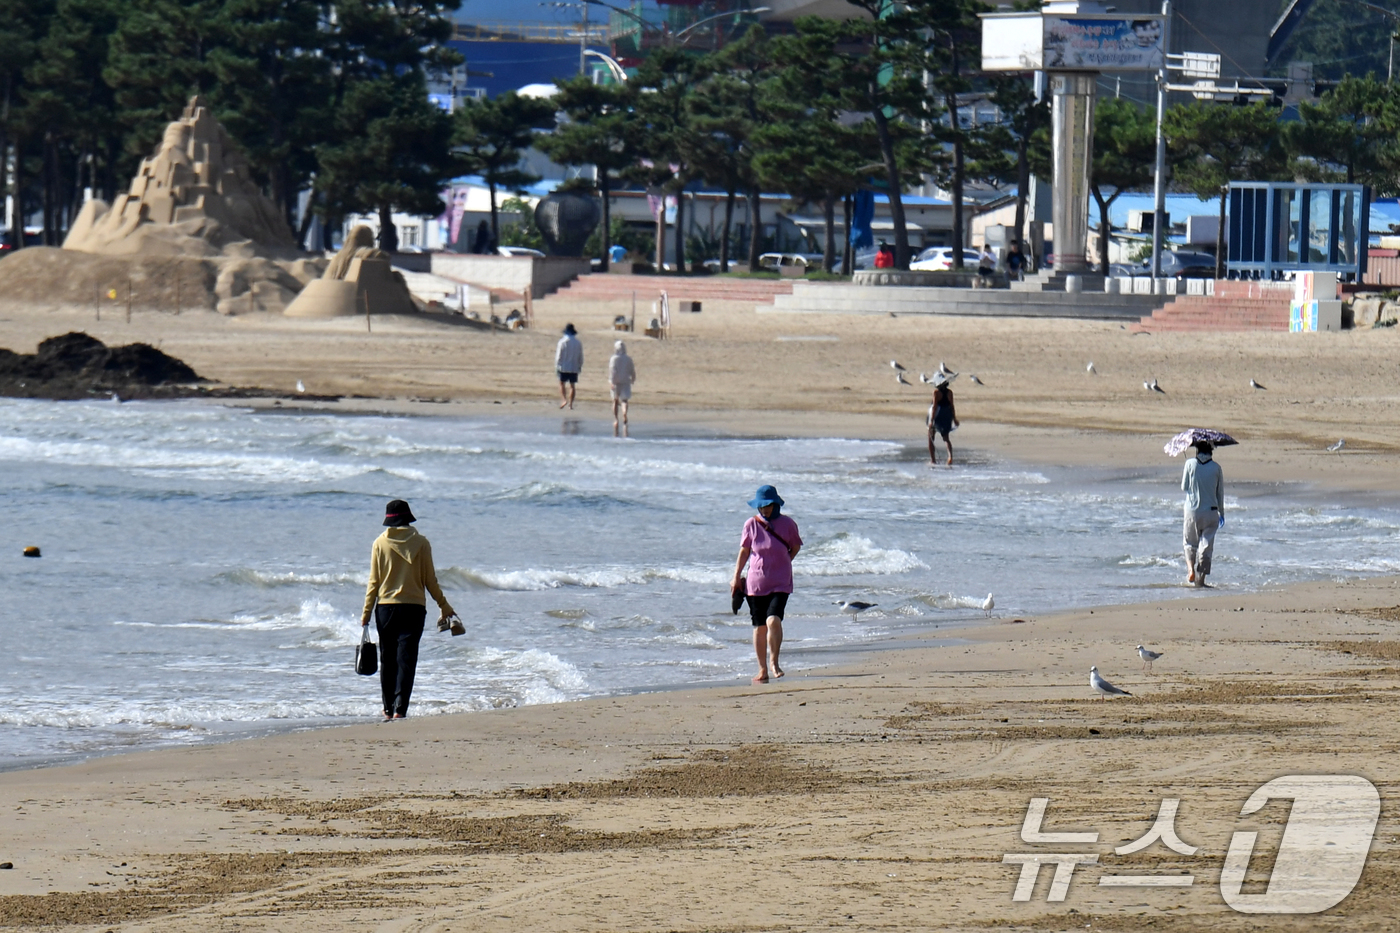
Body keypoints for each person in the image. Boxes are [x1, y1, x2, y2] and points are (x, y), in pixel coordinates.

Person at [361, 499, 456, 720]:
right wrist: (444, 605)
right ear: (408, 517)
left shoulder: (379, 544)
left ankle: (386, 708)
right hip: (414, 609)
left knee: (388, 659)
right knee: (407, 659)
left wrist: (366, 612)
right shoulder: (421, 543)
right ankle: (399, 710)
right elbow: (430, 580)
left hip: (386, 609)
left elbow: (373, 582)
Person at [731, 485, 803, 684]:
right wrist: (736, 576)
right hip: (755, 584)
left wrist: (783, 562)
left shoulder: (788, 524)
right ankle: (762, 669)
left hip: (780, 581)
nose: (764, 510)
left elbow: (795, 547)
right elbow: (744, 551)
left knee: (773, 620)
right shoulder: (750, 525)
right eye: (761, 507)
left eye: (768, 506)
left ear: (775, 504)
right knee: (759, 627)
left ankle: (774, 662)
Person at [1181, 440, 1225, 587]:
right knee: (1206, 546)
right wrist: (1222, 513)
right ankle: (1201, 581)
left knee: (1189, 543)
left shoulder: (1190, 464)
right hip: (1211, 511)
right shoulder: (1217, 468)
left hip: (1192, 511)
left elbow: (1184, 487)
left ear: (1197, 450)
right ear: (1211, 451)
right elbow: (1220, 493)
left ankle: (1190, 570)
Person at [927, 372, 959, 466]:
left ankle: (933, 460)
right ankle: (950, 457)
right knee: (946, 438)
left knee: (931, 437)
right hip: (947, 414)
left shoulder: (936, 393)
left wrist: (931, 420)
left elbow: (935, 407)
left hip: (938, 415)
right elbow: (952, 406)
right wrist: (954, 419)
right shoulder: (949, 392)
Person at [608, 340, 636, 436]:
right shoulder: (628, 359)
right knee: (624, 400)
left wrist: (611, 381)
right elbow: (632, 369)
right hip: (625, 381)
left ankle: (616, 419)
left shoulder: (614, 358)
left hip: (615, 382)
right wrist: (633, 378)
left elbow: (612, 370)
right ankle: (625, 414)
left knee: (615, 400)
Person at [555, 323, 583, 410]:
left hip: (563, 366)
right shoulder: (578, 343)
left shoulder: (562, 342)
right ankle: (570, 404)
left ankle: (564, 399)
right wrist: (580, 365)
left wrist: (557, 365)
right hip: (574, 367)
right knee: (572, 386)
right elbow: (580, 356)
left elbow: (559, 356)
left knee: (561, 383)